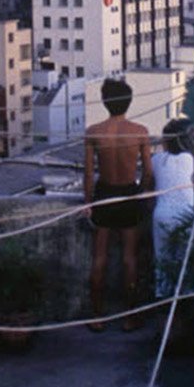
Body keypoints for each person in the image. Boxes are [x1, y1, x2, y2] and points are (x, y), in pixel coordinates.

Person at [85, 78, 152, 331]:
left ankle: (97, 316)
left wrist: (88, 202)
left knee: (99, 257)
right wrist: (142, 193)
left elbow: (88, 174)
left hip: (104, 194)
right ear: (129, 101)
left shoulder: (94, 132)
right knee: (129, 259)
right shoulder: (139, 132)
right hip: (128, 194)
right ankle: (129, 317)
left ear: (104, 102)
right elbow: (147, 172)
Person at [150, 117, 194, 301]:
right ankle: (184, 305)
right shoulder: (191, 159)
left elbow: (149, 183)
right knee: (185, 263)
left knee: (162, 264)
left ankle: (162, 304)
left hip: (162, 215)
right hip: (186, 215)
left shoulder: (157, 159)